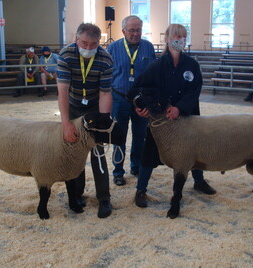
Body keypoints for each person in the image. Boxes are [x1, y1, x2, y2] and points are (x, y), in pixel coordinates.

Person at [127, 24, 216, 209]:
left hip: (187, 117)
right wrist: (140, 107)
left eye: (183, 36)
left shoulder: (192, 65)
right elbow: (137, 89)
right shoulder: (157, 66)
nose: (180, 39)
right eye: (176, 36)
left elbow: (194, 91)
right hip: (161, 121)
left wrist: (179, 108)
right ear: (167, 39)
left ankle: (198, 181)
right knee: (149, 151)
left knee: (194, 150)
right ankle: (141, 189)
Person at [57, 23, 114, 218]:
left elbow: (106, 93)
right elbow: (62, 92)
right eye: (84, 43)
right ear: (76, 39)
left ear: (100, 42)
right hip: (73, 104)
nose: (88, 48)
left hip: (95, 105)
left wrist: (103, 123)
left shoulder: (106, 59)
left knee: (98, 150)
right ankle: (76, 194)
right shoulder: (65, 55)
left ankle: (104, 198)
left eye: (93, 44)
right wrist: (66, 124)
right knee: (74, 150)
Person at [107, 15, 157, 186]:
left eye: (139, 30)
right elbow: (106, 75)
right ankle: (118, 171)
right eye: (132, 30)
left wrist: (150, 102)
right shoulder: (112, 48)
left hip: (141, 101)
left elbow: (153, 76)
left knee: (140, 135)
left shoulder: (148, 47)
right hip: (119, 99)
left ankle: (136, 166)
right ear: (123, 31)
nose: (136, 33)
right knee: (118, 137)